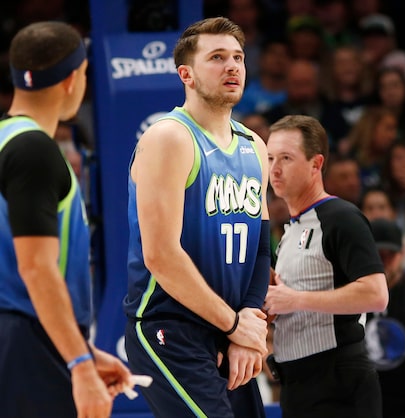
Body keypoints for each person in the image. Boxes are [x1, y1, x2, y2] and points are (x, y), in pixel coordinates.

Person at [123, 17, 270, 418]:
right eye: (217, 57)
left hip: (227, 328)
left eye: (238, 57)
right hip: (169, 326)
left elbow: (260, 250)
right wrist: (234, 326)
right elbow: (162, 256)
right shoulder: (169, 137)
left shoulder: (254, 145)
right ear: (185, 74)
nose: (233, 67)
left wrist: (245, 328)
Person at [0, 21, 132, 418]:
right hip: (27, 344)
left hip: (25, 338)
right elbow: (36, 268)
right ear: (72, 78)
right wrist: (79, 365)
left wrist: (84, 351)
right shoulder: (34, 151)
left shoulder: (8, 139)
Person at [264, 114, 389, 418]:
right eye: (269, 158)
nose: (274, 169)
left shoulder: (341, 217)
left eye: (286, 158)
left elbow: (376, 294)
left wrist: (296, 299)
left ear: (316, 164)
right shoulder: (290, 228)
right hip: (296, 384)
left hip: (338, 382)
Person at [367, 218, 405, 418]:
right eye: (378, 254)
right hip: (371, 405)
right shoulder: (352, 297)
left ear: (402, 254)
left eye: (390, 254)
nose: (383, 261)